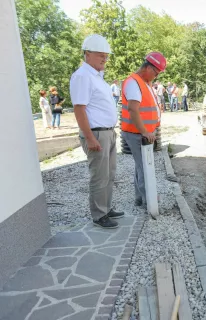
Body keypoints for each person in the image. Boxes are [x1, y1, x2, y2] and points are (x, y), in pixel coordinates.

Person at [70, 34, 124, 229]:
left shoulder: (97, 77)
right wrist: (90, 137)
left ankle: (106, 208)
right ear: (87, 54)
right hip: (96, 134)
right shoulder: (82, 76)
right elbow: (79, 109)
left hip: (107, 132)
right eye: (101, 55)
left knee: (109, 174)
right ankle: (99, 214)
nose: (104, 59)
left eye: (106, 56)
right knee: (99, 176)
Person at [120, 52, 166, 208]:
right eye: (156, 72)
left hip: (140, 132)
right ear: (148, 67)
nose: (156, 76)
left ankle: (139, 199)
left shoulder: (143, 82)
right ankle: (149, 201)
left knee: (140, 166)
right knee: (144, 167)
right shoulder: (134, 83)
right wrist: (145, 131)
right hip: (137, 132)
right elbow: (133, 110)